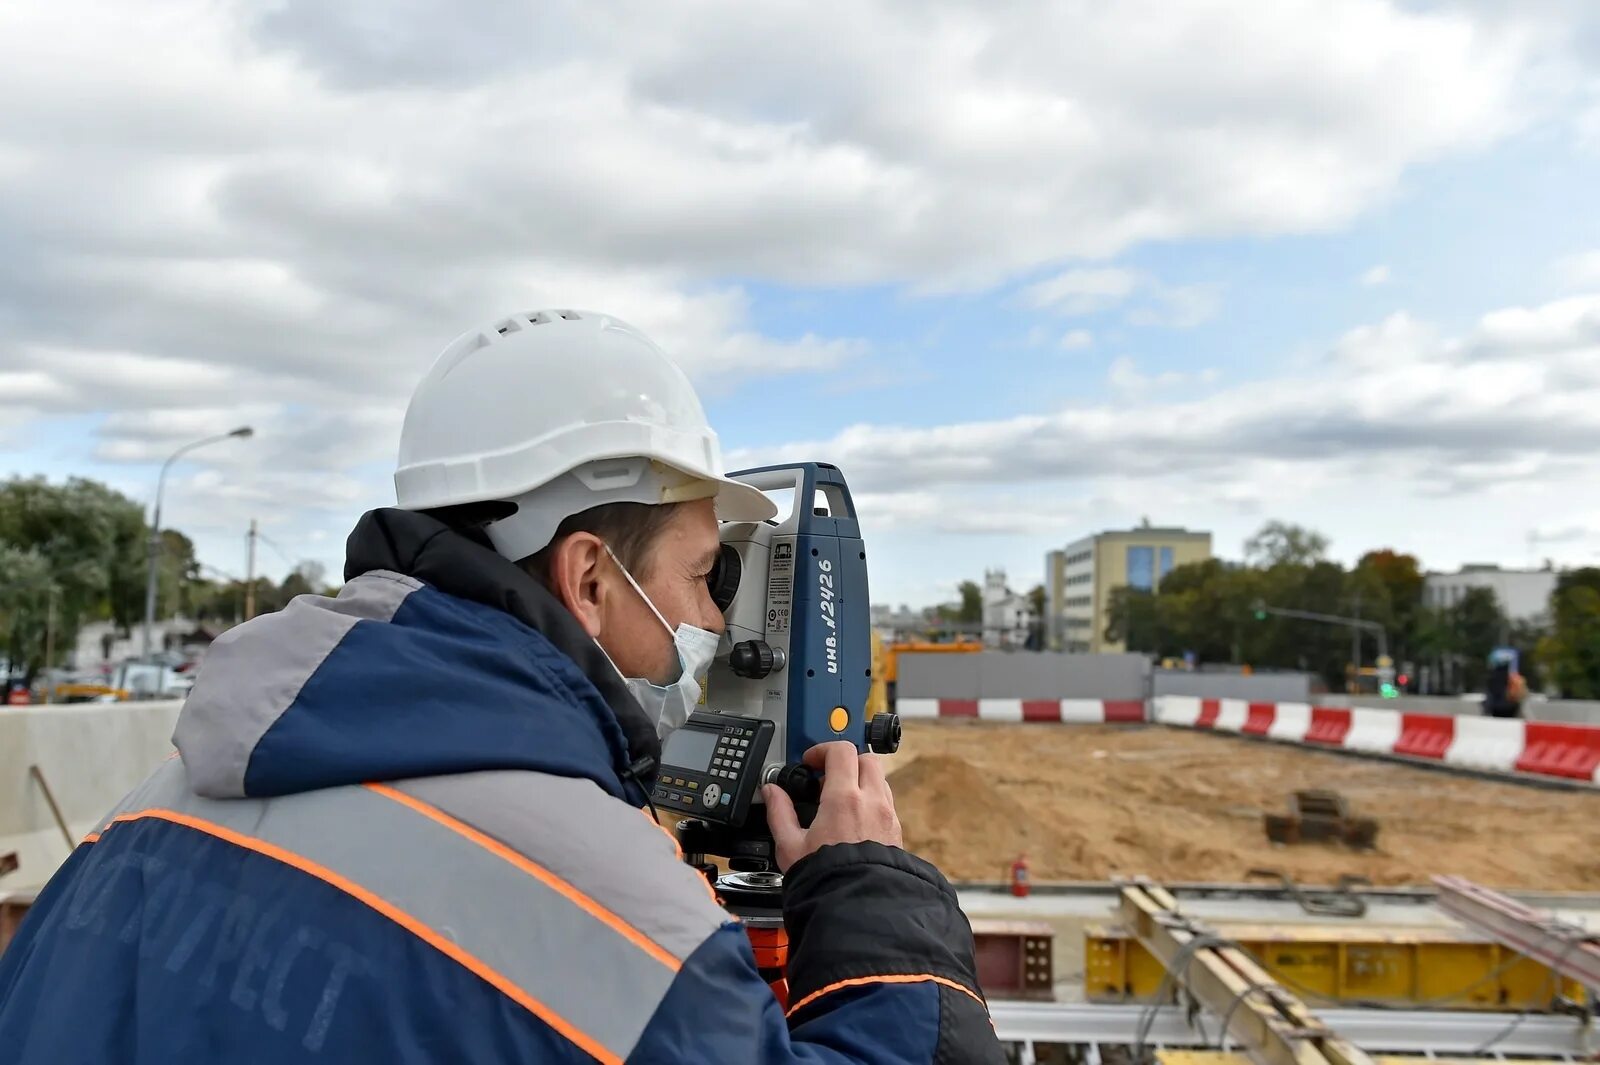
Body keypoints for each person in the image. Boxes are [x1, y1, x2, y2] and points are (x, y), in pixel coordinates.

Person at [0, 310, 1004, 1064]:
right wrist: (876, 898)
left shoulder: (141, 820)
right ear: (590, 578)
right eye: (708, 579)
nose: (708, 626)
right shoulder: (605, 927)